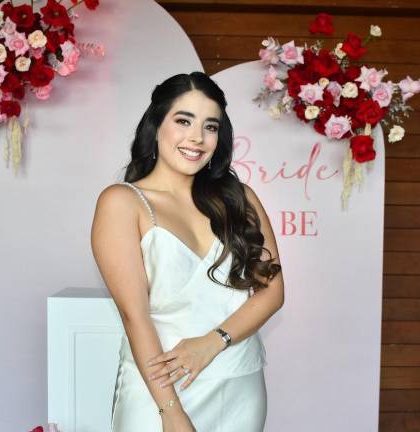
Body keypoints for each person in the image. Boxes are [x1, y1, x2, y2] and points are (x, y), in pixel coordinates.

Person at [91, 71, 284, 432]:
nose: (197, 137)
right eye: (183, 121)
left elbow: (272, 293)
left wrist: (212, 343)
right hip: (160, 390)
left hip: (240, 384)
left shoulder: (240, 199)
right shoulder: (122, 202)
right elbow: (135, 317)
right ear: (156, 126)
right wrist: (171, 412)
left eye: (210, 126)